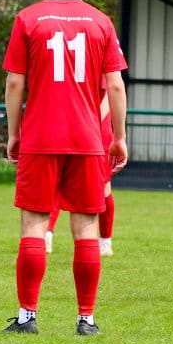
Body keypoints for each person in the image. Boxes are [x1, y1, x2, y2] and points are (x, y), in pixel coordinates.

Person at [1, 0, 128, 336]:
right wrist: (119, 137)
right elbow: (116, 86)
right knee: (86, 228)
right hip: (87, 140)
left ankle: (27, 318)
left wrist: (14, 134)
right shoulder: (101, 22)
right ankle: (85, 320)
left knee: (34, 225)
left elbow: (14, 84)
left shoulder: (27, 19)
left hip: (40, 137)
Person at [46, 92, 118, 256]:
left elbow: (110, 93)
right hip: (68, 130)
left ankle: (105, 242)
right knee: (56, 183)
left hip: (97, 135)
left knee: (103, 188)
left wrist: (93, 121)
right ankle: (46, 236)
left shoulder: (101, 75)